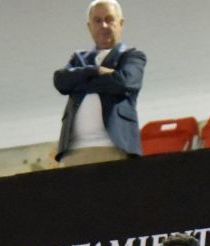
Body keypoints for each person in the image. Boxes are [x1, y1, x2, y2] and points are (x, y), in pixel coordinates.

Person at [53, 1, 144, 165]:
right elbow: (61, 82)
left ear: (120, 23)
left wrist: (81, 81)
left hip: (115, 149)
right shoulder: (78, 58)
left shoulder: (132, 57)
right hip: (73, 153)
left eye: (109, 19)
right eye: (97, 20)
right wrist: (96, 71)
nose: (103, 25)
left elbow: (124, 82)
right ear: (89, 26)